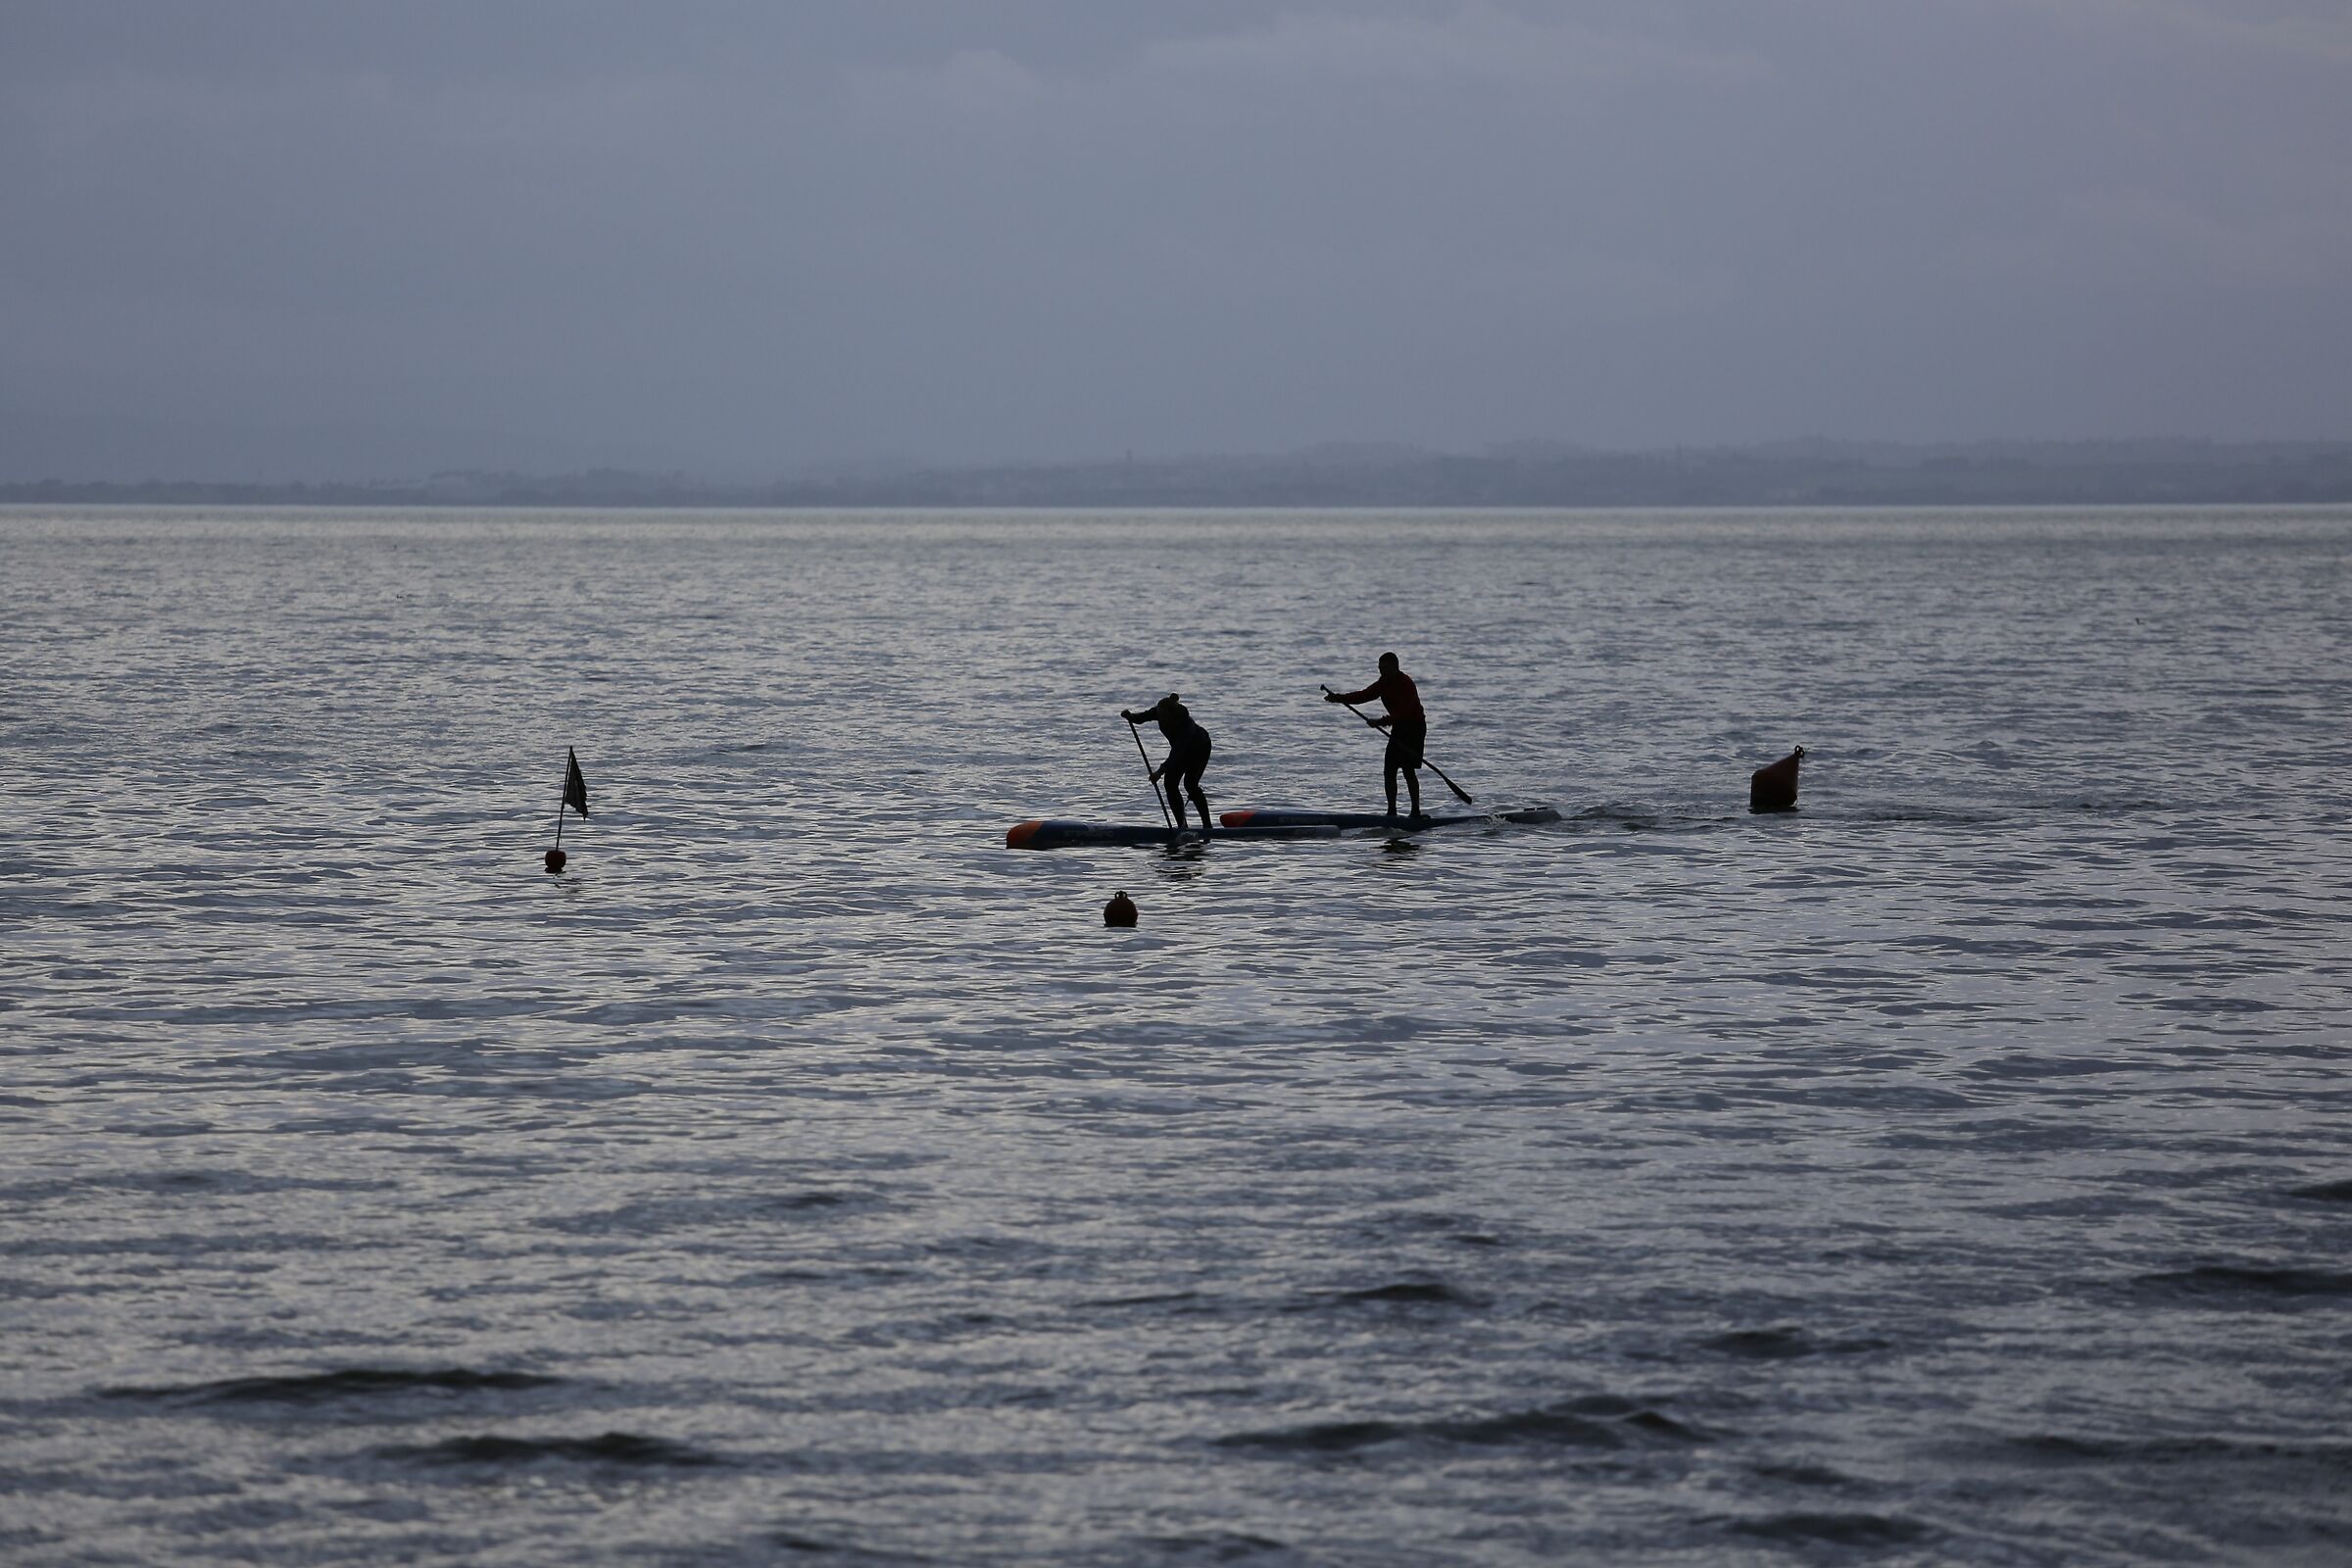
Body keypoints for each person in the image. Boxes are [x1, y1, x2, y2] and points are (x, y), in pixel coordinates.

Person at [1325, 652, 1427, 818]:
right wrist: (1338, 698)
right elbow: (1363, 695)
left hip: (1414, 727)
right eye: (1380, 669)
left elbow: (1405, 713)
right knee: (1389, 770)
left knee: (1408, 770)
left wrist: (1380, 721)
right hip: (1399, 727)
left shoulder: (1406, 684)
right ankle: (1391, 812)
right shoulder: (1383, 683)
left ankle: (1415, 812)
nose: (1382, 672)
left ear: (1395, 667)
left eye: (1385, 669)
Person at [1121, 693, 1212, 829]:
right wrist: (1130, 716)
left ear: (1173, 717)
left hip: (1199, 749)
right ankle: (1182, 826)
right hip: (1180, 751)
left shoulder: (1186, 726)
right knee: (1170, 784)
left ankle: (1208, 827)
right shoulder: (1159, 712)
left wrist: (1159, 771)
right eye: (1159, 716)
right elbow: (1142, 717)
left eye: (1164, 717)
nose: (1161, 719)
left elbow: (1177, 753)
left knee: (1190, 784)